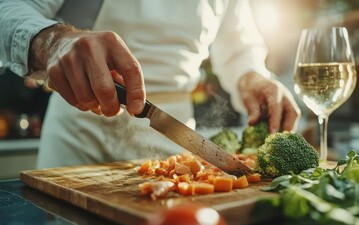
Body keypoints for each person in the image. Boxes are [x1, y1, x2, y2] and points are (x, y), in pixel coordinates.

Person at [0, 0, 301, 168]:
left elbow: (239, 49)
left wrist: (252, 77)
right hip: (80, 136)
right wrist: (52, 41)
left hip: (173, 143)